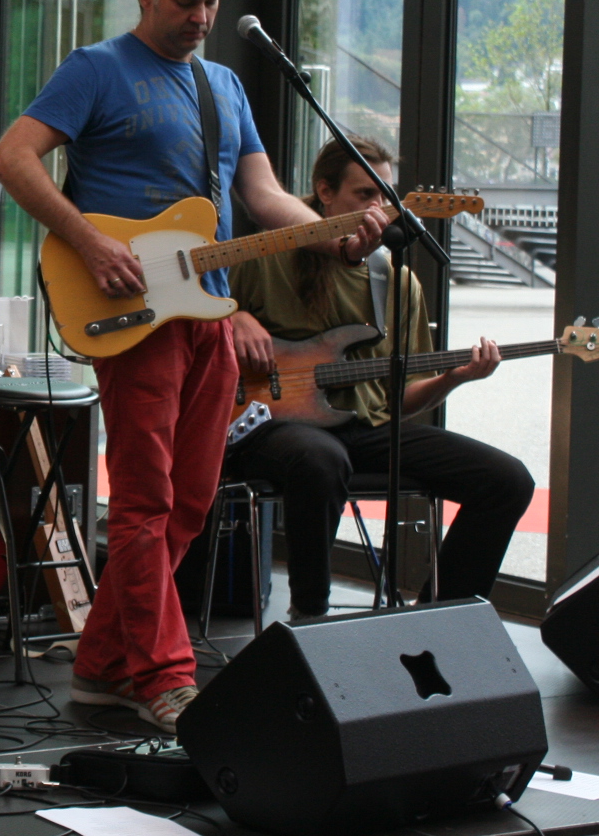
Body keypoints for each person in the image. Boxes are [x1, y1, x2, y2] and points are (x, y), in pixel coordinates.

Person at [0, 0, 386, 734]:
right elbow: (12, 158)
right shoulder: (97, 69)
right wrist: (89, 241)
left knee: (189, 505)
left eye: (211, 2)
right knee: (145, 500)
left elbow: (261, 197)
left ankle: (102, 669)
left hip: (210, 310)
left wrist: (331, 234)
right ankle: (165, 679)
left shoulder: (223, 86)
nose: (201, 17)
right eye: (185, 1)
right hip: (135, 314)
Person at [227, 136, 534, 617]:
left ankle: (442, 616)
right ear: (324, 192)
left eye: (386, 196)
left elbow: (400, 399)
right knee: (320, 458)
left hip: (363, 429)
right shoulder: (267, 253)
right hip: (270, 426)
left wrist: (453, 378)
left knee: (507, 480)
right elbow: (194, 309)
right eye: (364, 194)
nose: (378, 208)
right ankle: (309, 616)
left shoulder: (396, 280)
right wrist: (232, 318)